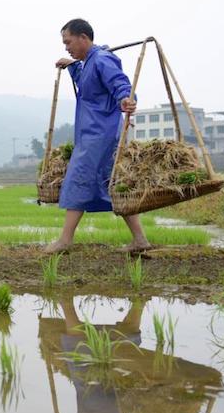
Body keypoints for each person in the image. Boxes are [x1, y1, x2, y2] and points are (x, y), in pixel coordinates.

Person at [44, 18, 151, 254]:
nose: (66, 47)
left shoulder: (102, 59)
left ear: (83, 38)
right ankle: (140, 240)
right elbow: (87, 84)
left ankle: (65, 241)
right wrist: (72, 65)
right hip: (94, 135)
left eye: (68, 42)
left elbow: (120, 84)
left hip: (100, 137)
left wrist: (126, 98)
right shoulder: (88, 63)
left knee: (78, 180)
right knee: (113, 186)